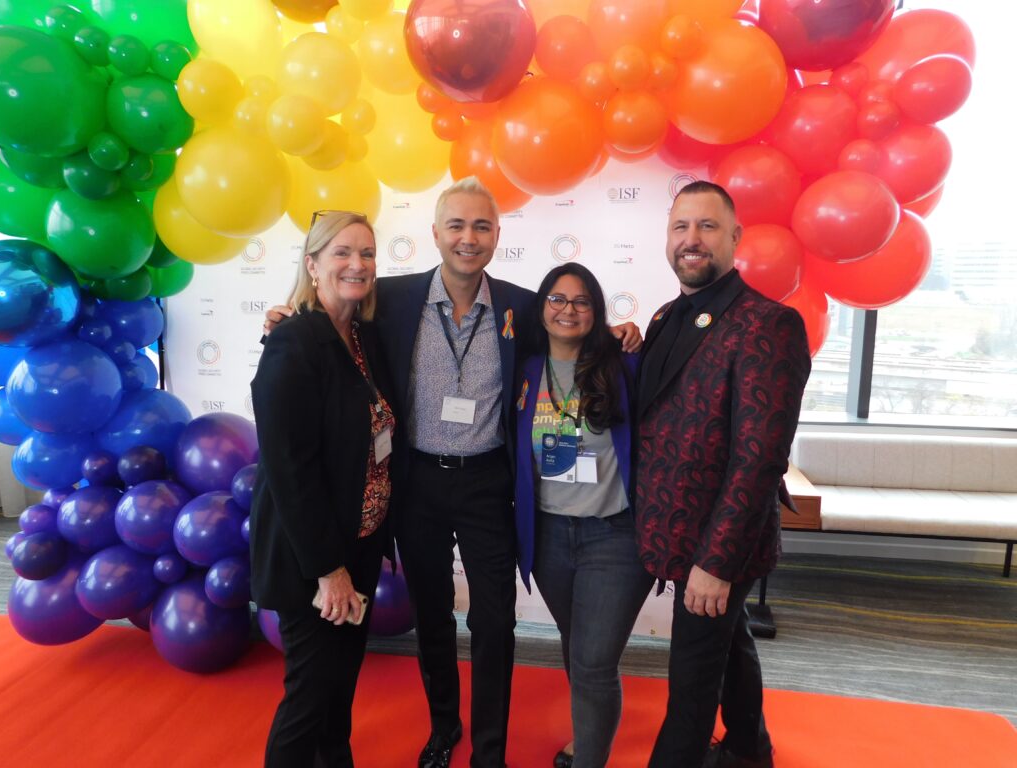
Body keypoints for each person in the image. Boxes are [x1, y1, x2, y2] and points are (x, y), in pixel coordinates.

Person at [265, 177, 641, 768]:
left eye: (482, 226)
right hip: (416, 482)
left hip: (489, 482)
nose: (469, 238)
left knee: (495, 621)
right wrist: (286, 315)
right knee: (432, 616)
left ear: (496, 236)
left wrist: (621, 335)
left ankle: (488, 749)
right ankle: (445, 729)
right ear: (436, 233)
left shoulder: (522, 304)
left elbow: (578, 330)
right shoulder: (386, 298)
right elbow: (328, 323)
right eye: (457, 226)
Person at [635, 181, 811, 768]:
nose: (692, 239)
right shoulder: (663, 316)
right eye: (681, 227)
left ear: (735, 237)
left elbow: (760, 458)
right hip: (671, 535)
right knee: (730, 645)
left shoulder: (769, 323)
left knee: (690, 686)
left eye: (707, 226)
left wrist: (715, 562)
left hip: (716, 547)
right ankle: (748, 747)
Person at [249, 210, 395, 768]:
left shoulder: (361, 336)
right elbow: (291, 470)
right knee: (309, 695)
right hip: (314, 557)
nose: (356, 265)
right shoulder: (293, 341)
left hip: (359, 542)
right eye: (341, 253)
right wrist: (329, 570)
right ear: (312, 265)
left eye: (366, 254)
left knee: (339, 688)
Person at [513, 263, 653, 768]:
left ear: (596, 312)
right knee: (577, 648)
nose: (567, 310)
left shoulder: (625, 366)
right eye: (557, 299)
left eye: (581, 301)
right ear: (541, 309)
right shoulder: (523, 370)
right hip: (549, 536)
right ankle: (587, 733)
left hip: (615, 536)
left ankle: (589, 758)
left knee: (594, 662)